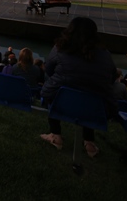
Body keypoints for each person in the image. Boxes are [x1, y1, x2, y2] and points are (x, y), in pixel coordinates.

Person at [40, 17, 117, 158]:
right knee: (90, 94)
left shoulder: (59, 48)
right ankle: (89, 142)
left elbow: (49, 70)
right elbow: (112, 78)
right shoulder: (105, 54)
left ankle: (55, 134)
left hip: (62, 102)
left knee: (53, 86)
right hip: (96, 108)